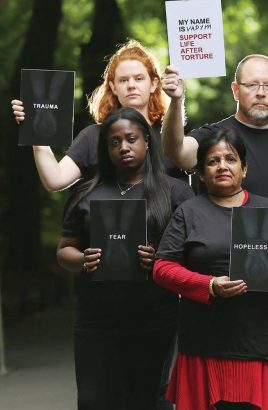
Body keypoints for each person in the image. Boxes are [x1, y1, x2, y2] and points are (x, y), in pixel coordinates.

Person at [160, 54, 268, 409]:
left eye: (267, 86)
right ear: (235, 89)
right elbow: (175, 150)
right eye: (251, 85)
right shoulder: (214, 137)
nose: (259, 93)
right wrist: (177, 101)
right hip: (217, 275)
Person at [57, 107, 194, 409]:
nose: (124, 147)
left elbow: (197, 254)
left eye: (131, 139)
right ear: (106, 149)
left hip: (153, 317)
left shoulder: (176, 193)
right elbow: (65, 249)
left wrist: (160, 260)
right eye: (114, 142)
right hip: (96, 319)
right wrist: (82, 260)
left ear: (147, 141)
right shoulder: (86, 193)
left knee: (144, 400)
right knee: (94, 400)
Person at [10, 40, 183, 191]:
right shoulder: (93, 136)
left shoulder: (169, 136)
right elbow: (55, 180)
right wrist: (35, 129)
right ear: (113, 87)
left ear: (153, 84)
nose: (131, 85)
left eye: (138, 78)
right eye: (123, 80)